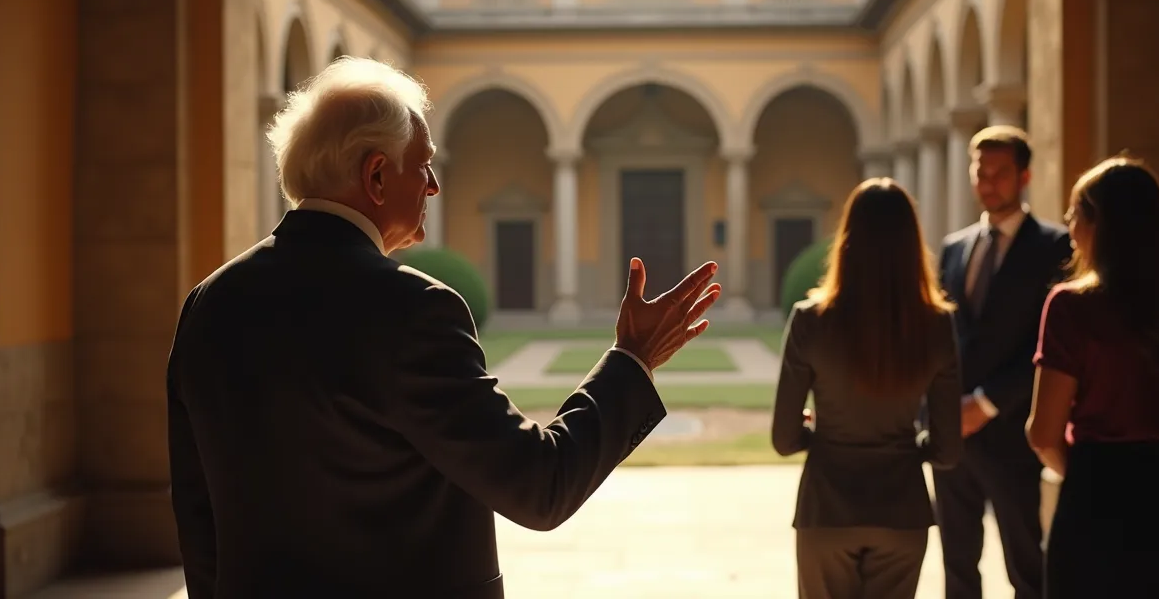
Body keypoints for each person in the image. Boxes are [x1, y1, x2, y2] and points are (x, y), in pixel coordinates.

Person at [165, 57, 722, 598]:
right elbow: (539, 484)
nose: (433, 185)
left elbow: (197, 514)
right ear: (377, 175)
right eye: (424, 164)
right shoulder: (412, 309)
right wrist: (632, 359)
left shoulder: (210, 302)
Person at [1027, 155, 1159, 597]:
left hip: (1092, 507)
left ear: (1100, 223)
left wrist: (1091, 481)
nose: (1068, 227)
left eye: (1075, 214)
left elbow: (1043, 434)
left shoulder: (1071, 307)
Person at [772, 179, 963, 599]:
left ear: (847, 238)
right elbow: (948, 450)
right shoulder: (936, 325)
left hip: (827, 508)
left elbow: (783, 440)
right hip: (902, 509)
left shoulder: (810, 319)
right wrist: (911, 442)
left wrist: (818, 433)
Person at [935, 125, 1072, 599]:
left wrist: (987, 403)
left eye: (1000, 172)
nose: (988, 182)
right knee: (956, 563)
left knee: (1025, 564)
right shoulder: (954, 247)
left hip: (1014, 431)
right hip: (951, 432)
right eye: (980, 171)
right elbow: (944, 340)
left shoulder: (1056, 247)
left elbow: (1052, 347)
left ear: (1025, 175)